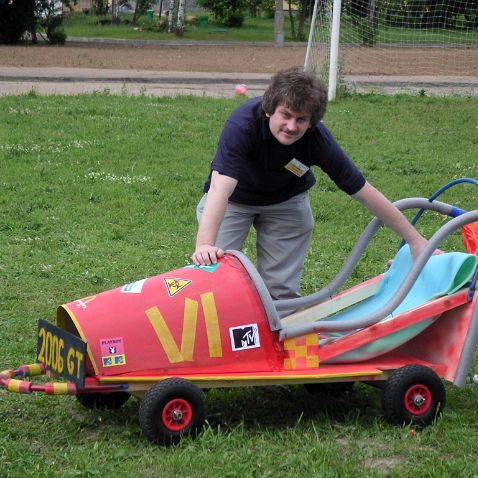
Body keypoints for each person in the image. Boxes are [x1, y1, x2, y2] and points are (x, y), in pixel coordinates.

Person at [191, 67, 428, 300]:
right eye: (286, 115)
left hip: (286, 201)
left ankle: (280, 330)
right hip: (235, 200)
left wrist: (415, 241)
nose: (292, 126)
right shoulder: (243, 126)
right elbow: (220, 188)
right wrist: (204, 245)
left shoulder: (317, 140)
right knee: (214, 274)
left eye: (301, 119)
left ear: (311, 123)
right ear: (269, 110)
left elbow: (363, 191)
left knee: (281, 290)